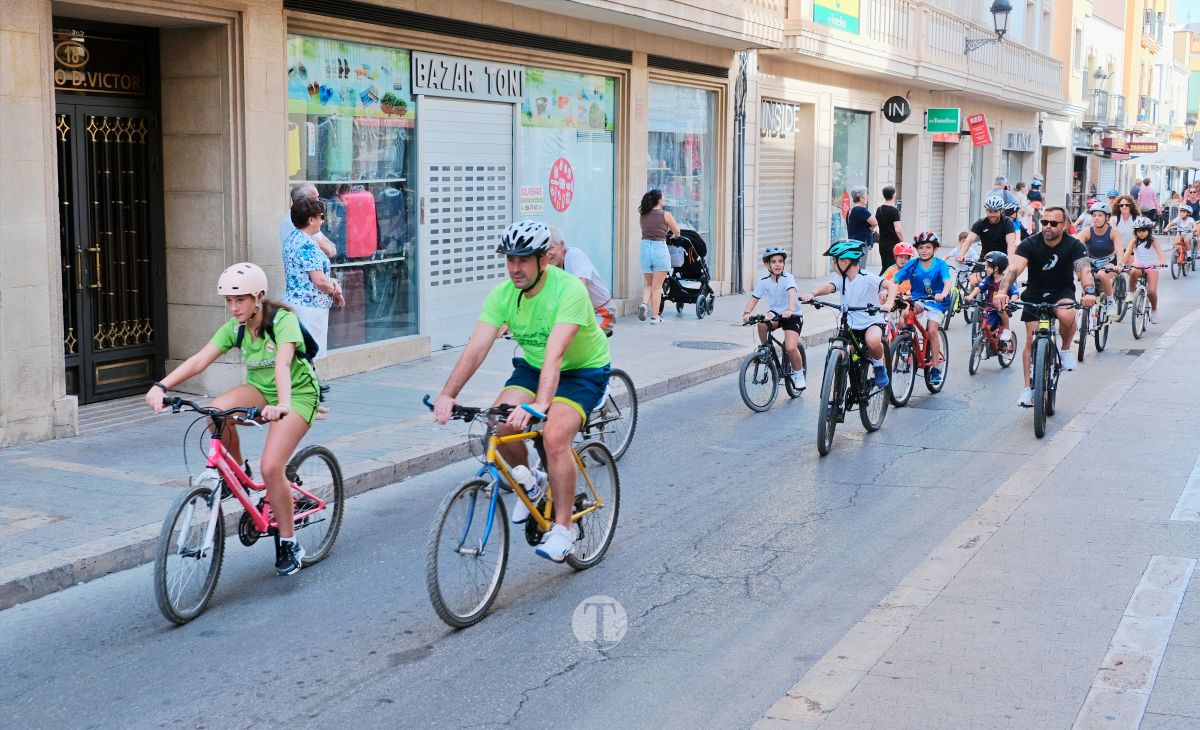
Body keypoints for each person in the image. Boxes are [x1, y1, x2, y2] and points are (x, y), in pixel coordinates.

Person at [432, 221, 611, 563]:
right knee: (498, 423)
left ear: (544, 260)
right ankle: (534, 482)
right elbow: (476, 348)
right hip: (534, 366)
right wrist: (447, 394)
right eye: (510, 259)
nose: (515, 268)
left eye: (524, 260)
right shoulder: (502, 296)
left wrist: (541, 404)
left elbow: (556, 352)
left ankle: (564, 529)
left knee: (555, 436)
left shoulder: (568, 290)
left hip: (582, 370)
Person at [145, 263, 322, 576]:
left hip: (297, 395)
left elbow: (282, 365)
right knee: (216, 412)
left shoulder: (283, 322)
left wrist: (282, 404)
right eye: (228, 300)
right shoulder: (236, 329)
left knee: (272, 467)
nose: (233, 307)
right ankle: (239, 472)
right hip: (261, 391)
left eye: (240, 299)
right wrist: (162, 386)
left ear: (258, 297)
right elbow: (200, 360)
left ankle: (289, 543)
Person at [992, 206, 1097, 406]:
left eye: (1053, 223)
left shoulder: (1074, 245)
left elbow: (1084, 271)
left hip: (1061, 291)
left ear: (1064, 225)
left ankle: (1065, 349)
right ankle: (1027, 390)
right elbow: (1013, 269)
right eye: (1044, 222)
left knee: (1066, 315)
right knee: (1030, 340)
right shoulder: (1030, 243)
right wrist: (1002, 291)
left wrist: (1089, 291)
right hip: (1035, 292)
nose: (1048, 226)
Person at [801, 240, 897, 388]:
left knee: (872, 340)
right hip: (850, 324)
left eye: (835, 261)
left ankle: (879, 366)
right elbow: (829, 287)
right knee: (840, 354)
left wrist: (888, 304)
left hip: (871, 322)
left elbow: (891, 286)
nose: (833, 265)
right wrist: (813, 294)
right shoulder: (842, 279)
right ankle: (837, 396)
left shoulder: (867, 277)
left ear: (845, 262)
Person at [282, 197, 343, 356]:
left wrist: (331, 282)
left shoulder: (292, 238)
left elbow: (305, 275)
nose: (322, 221)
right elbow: (319, 281)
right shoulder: (307, 244)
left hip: (294, 304)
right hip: (309, 309)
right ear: (310, 220)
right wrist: (335, 291)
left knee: (298, 354)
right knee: (311, 355)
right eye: (321, 217)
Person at [891, 232, 952, 386]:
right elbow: (895, 279)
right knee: (906, 314)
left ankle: (936, 369)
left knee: (931, 331)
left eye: (928, 247)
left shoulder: (940, 265)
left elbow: (947, 282)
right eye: (921, 248)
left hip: (937, 301)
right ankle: (906, 341)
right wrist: (886, 289)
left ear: (935, 249)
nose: (924, 251)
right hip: (919, 298)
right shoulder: (913, 264)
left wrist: (943, 294)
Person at [742, 247, 806, 390]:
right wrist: (747, 313)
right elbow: (754, 298)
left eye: (780, 261)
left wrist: (790, 309)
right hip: (775, 313)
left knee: (790, 347)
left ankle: (799, 374)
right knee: (761, 323)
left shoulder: (788, 278)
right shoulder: (764, 281)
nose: (778, 264)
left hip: (793, 315)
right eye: (774, 262)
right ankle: (765, 349)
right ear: (767, 264)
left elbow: (791, 293)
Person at [546, 226, 614, 336]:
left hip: (601, 312)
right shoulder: (548, 267)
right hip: (576, 314)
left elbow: (579, 288)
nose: (547, 254)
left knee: (571, 339)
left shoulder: (574, 255)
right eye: (543, 250)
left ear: (562, 245)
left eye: (550, 248)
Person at [638, 189, 680, 325]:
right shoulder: (666, 215)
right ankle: (655, 317)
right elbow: (677, 232)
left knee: (648, 284)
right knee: (657, 287)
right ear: (659, 200)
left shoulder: (643, 215)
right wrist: (675, 236)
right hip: (659, 249)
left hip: (645, 249)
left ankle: (644, 304)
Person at [957, 194, 1018, 290]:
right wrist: (961, 254)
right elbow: (969, 240)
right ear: (986, 211)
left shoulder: (1007, 223)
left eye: (995, 211)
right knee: (973, 281)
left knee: (1007, 283)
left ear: (1001, 211)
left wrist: (1010, 262)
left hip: (1003, 259)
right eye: (990, 211)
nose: (992, 214)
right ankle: (973, 299)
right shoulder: (980, 223)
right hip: (985, 258)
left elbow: (1011, 243)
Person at [1076, 200, 1124, 314]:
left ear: (1107, 217)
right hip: (1092, 262)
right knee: (1085, 277)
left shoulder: (1114, 232)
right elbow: (1075, 246)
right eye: (1094, 215)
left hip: (1110, 262)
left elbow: (1119, 250)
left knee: (1102, 274)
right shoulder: (1087, 231)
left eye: (1100, 215)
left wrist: (1120, 264)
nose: (1096, 218)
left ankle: (1110, 300)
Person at [1121, 216, 1166, 324]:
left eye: (1143, 230)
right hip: (1139, 266)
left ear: (1149, 231)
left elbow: (1160, 254)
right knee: (1133, 271)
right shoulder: (1134, 241)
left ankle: (1154, 310)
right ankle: (1131, 293)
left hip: (1152, 267)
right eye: (1138, 231)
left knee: (1152, 291)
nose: (1141, 233)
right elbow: (1127, 255)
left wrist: (1162, 262)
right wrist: (1121, 264)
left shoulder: (1153, 241)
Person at [967, 251, 1018, 344]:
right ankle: (985, 345)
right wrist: (970, 296)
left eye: (987, 267)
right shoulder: (988, 279)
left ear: (996, 268)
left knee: (1000, 310)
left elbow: (1015, 293)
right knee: (987, 328)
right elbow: (979, 287)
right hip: (991, 307)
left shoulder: (1006, 281)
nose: (985, 269)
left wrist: (1012, 301)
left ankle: (1007, 330)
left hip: (1004, 307)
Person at [281, 183, 337, 258]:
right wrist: (329, 247)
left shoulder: (307, 217)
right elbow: (328, 250)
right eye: (315, 198)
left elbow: (332, 248)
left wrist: (330, 247)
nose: (318, 201)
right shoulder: (295, 220)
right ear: (304, 200)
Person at [875, 186, 904, 274]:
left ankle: (882, 281)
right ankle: (883, 281)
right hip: (893, 243)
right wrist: (903, 242)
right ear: (894, 195)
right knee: (891, 267)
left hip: (882, 242)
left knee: (885, 266)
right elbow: (898, 229)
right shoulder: (894, 211)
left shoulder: (879, 209)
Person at [846, 187, 877, 254]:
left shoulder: (851, 210)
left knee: (856, 260)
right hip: (861, 242)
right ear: (861, 198)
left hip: (853, 242)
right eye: (866, 196)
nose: (867, 198)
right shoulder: (861, 210)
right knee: (862, 260)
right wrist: (871, 228)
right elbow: (875, 222)